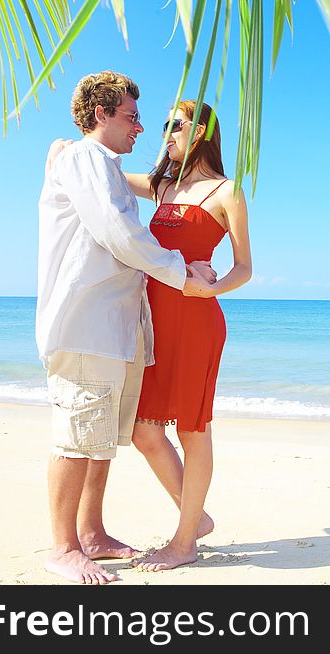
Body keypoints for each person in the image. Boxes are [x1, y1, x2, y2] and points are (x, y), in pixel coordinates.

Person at [36, 71, 215, 585]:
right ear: (102, 115)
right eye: (133, 117)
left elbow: (133, 221)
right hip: (85, 324)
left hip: (114, 328)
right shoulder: (84, 159)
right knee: (75, 438)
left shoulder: (105, 167)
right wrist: (184, 271)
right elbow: (121, 234)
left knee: (101, 438)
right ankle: (64, 546)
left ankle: (91, 533)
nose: (142, 129)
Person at [127, 100, 252, 572]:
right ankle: (195, 519)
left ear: (200, 131)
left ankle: (183, 543)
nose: (166, 134)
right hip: (152, 320)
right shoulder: (162, 186)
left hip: (197, 319)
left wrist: (211, 287)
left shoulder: (228, 191)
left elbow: (244, 267)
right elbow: (106, 173)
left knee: (192, 429)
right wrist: (67, 148)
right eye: (163, 126)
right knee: (144, 431)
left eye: (174, 125)